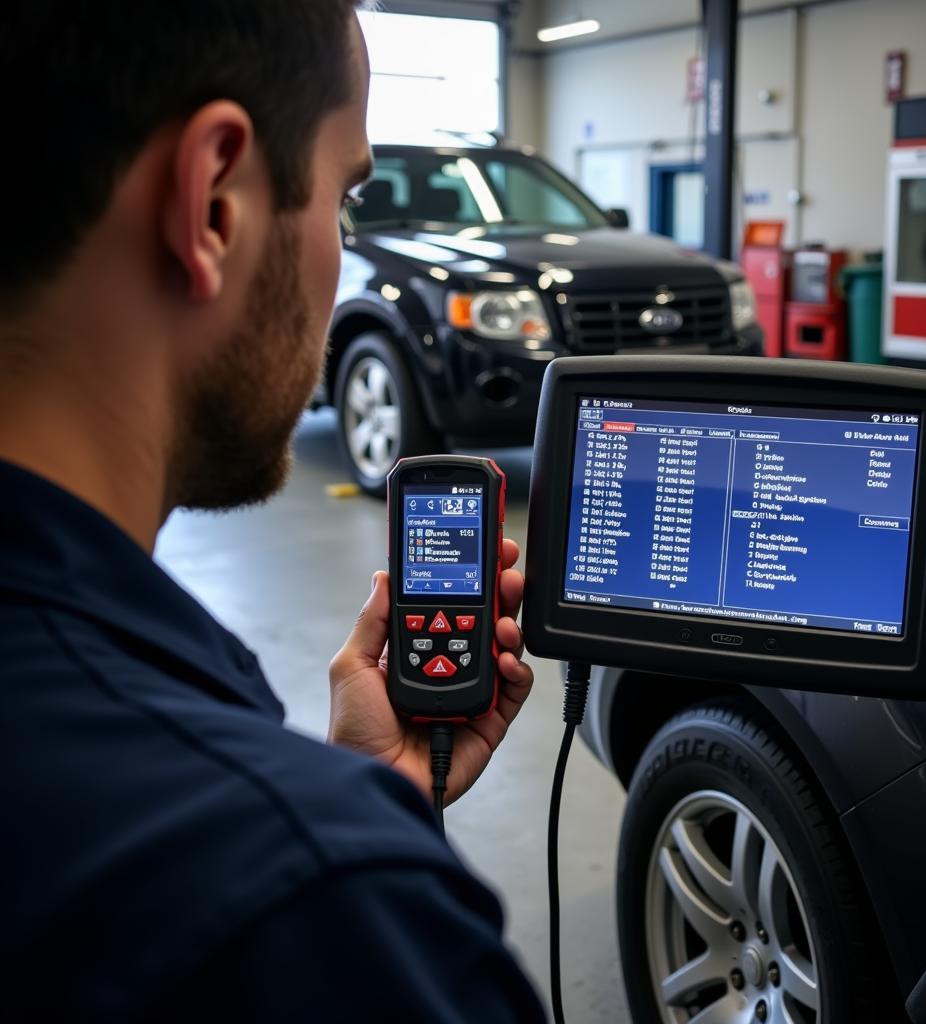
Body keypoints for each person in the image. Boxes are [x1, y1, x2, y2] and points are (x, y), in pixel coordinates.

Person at [0, 2, 546, 1019]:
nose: (340, 259)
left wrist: (367, 790)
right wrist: (352, 834)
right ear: (213, 202)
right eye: (343, 197)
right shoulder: (318, 908)